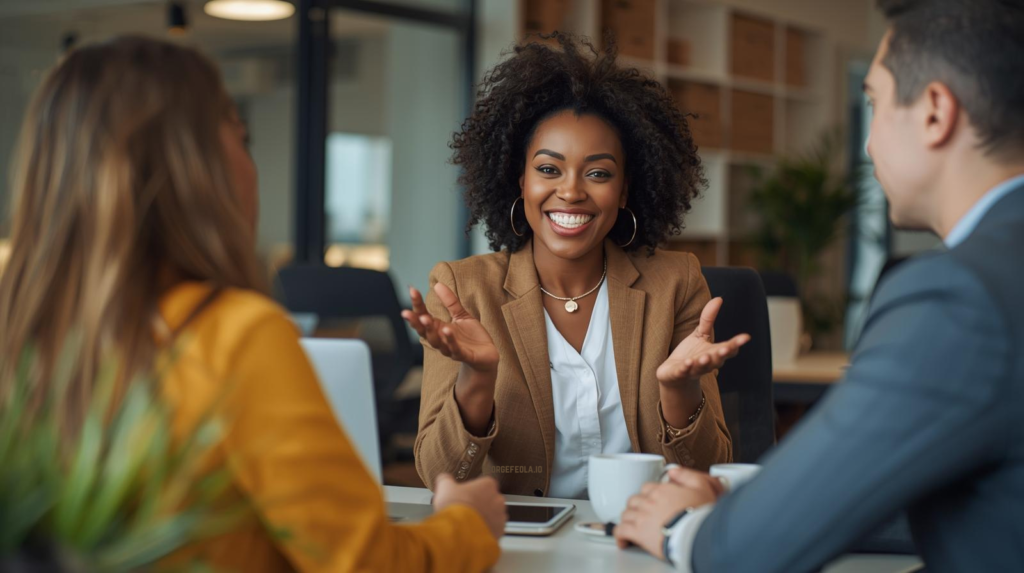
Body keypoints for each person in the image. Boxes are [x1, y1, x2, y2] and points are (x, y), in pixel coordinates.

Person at [0, 36, 506, 573]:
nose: (250, 164)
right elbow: (366, 565)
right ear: (196, 170)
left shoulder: (21, 340)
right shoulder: (232, 336)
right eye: (241, 140)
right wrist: (465, 524)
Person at [613, 1, 1024, 571]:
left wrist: (684, 526)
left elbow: (752, 552)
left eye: (875, 104)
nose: (868, 144)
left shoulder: (959, 295)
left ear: (934, 111)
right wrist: (754, 502)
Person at [404, 34, 748, 499]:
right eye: (549, 169)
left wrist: (679, 394)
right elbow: (439, 477)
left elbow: (711, 471)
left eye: (598, 173)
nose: (571, 192)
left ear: (625, 191)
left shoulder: (677, 283)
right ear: (519, 179)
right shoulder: (462, 290)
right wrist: (477, 380)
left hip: (643, 539)